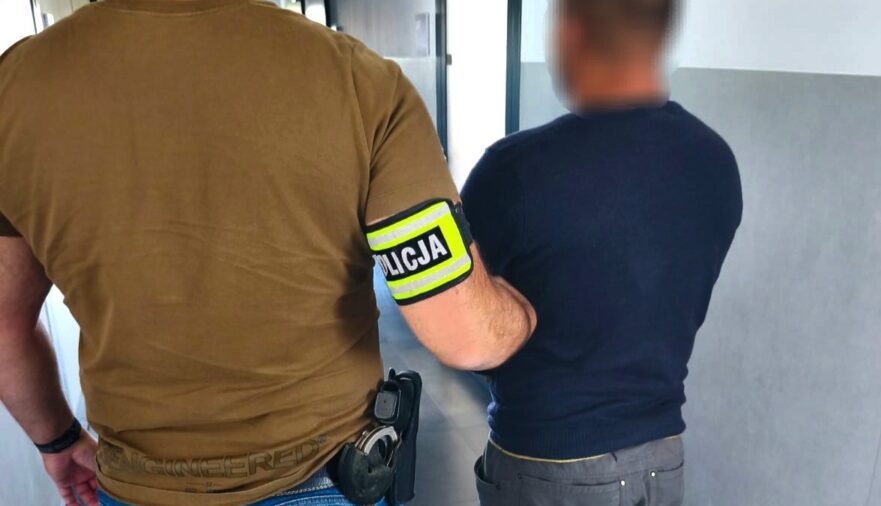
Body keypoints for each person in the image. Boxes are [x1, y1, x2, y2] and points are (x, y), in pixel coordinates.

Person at [0, 1, 536, 505]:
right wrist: (525, 313)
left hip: (134, 482)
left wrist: (58, 440)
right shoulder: (358, 81)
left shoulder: (17, 85)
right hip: (325, 475)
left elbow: (5, 322)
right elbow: (465, 337)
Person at [461, 0, 743, 504]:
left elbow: (466, 329)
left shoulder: (515, 171)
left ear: (572, 31)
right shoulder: (715, 162)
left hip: (547, 465)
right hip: (661, 459)